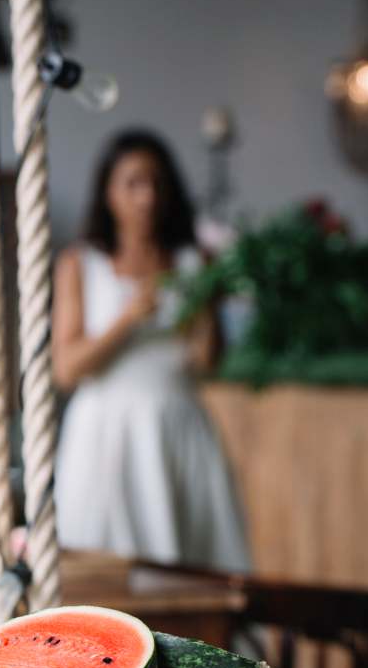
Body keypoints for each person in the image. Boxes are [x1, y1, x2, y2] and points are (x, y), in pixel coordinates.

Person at [52, 128, 249, 570]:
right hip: (105, 429)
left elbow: (206, 361)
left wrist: (202, 308)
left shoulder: (194, 262)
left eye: (157, 183)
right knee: (104, 565)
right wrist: (129, 317)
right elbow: (66, 369)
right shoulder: (80, 264)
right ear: (108, 192)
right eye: (133, 183)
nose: (147, 197)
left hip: (177, 422)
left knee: (194, 555)